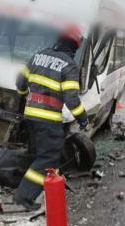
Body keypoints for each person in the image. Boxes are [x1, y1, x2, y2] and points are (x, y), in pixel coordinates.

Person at [14, 24, 88, 211]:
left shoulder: (38, 56)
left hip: (30, 116)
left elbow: (20, 82)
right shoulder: (69, 65)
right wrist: (82, 117)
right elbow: (71, 98)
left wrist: (24, 94)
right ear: (75, 45)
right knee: (48, 158)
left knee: (38, 155)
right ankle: (24, 196)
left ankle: (28, 189)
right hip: (48, 119)